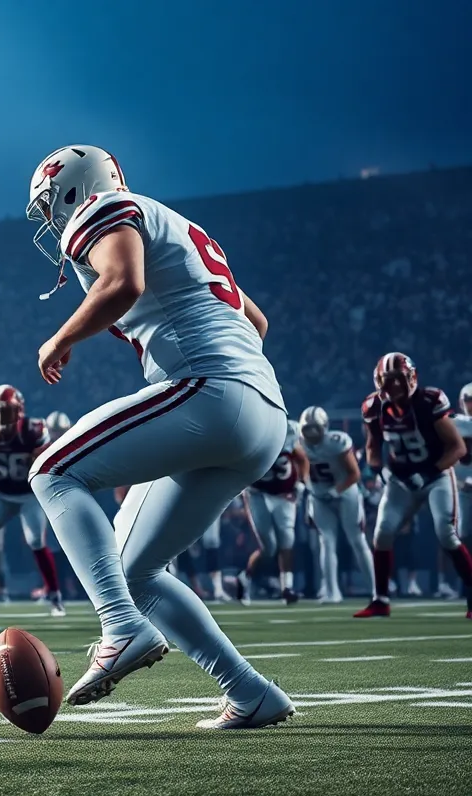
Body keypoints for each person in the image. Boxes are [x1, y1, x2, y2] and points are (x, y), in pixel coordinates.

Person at [25, 144, 293, 728]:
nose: (49, 217)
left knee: (52, 471)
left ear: (73, 188)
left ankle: (119, 626)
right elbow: (257, 322)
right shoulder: (177, 225)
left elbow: (123, 282)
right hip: (264, 412)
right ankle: (250, 693)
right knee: (133, 570)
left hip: (211, 389)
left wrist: (60, 339)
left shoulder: (104, 206)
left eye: (49, 203)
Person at [359, 353, 472, 618]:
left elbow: (457, 448)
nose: (396, 385)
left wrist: (430, 471)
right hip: (400, 478)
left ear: (411, 378)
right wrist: (378, 470)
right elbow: (373, 447)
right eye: (390, 380)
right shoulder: (373, 407)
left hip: (436, 476)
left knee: (446, 533)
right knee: (382, 533)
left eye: (400, 379)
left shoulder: (429, 401)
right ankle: (380, 599)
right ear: (379, 382)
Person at [0, 385, 60, 615]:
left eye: (6, 411)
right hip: (0, 494)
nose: (1, 417)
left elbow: (45, 469)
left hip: (28, 495)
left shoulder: (33, 429)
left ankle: (54, 595)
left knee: (36, 541)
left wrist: (32, 457)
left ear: (19, 411)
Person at [298, 406, 376, 604]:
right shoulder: (298, 443)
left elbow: (354, 474)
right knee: (326, 541)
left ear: (324, 427)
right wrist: (309, 488)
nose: (311, 434)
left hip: (345, 492)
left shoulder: (336, 442)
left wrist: (336, 490)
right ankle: (332, 591)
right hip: (319, 495)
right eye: (307, 429)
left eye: (315, 428)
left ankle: (376, 591)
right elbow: (301, 469)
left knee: (356, 540)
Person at [236, 420, 308, 604]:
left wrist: (301, 483)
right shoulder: (251, 433)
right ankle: (245, 577)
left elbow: (302, 458)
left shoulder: (288, 432)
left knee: (287, 539)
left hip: (284, 493)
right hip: (257, 493)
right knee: (268, 547)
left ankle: (287, 588)